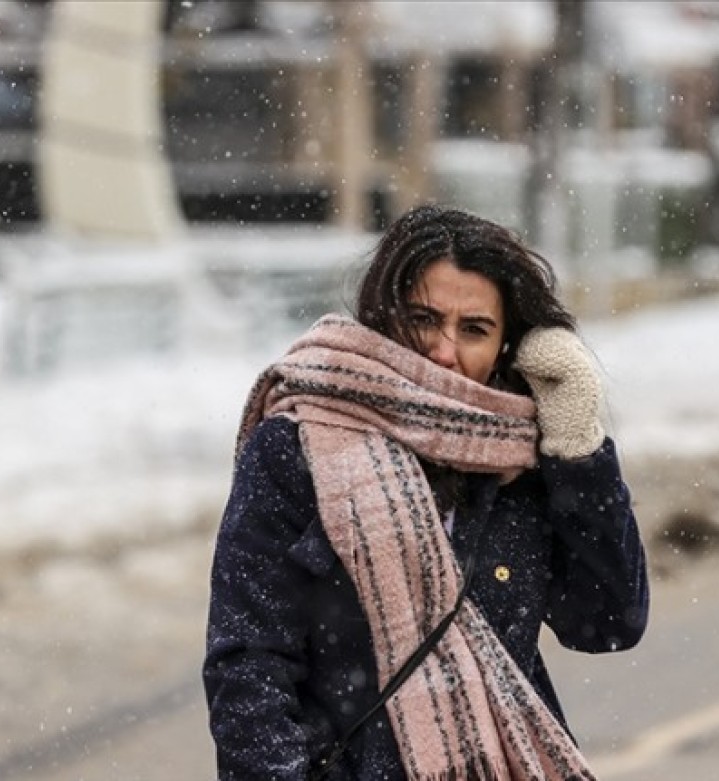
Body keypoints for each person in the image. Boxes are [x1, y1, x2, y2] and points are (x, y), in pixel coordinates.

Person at [204, 205, 649, 780]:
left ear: (507, 346)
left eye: (474, 329)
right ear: (383, 317)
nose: (444, 350)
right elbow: (249, 664)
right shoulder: (298, 445)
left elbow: (610, 621)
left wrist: (576, 446)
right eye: (423, 319)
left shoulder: (520, 461)